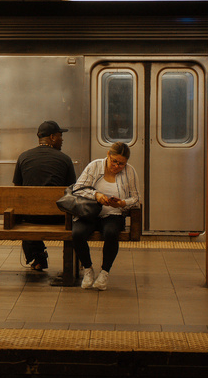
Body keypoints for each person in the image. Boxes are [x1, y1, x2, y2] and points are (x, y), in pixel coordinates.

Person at [70, 142, 139, 291]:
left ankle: (104, 272)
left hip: (113, 214)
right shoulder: (94, 166)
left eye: (121, 164)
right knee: (77, 233)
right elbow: (78, 189)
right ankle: (88, 269)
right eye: (114, 161)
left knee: (111, 233)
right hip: (90, 212)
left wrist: (122, 203)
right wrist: (96, 195)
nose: (116, 166)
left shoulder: (130, 171)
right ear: (108, 155)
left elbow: (135, 198)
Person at [12, 120, 77, 271]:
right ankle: (68, 265)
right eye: (61, 136)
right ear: (53, 137)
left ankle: (38, 257)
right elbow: (71, 189)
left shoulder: (23, 157)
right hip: (58, 217)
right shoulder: (65, 159)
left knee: (26, 214)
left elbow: (17, 189)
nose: (62, 140)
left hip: (30, 217)